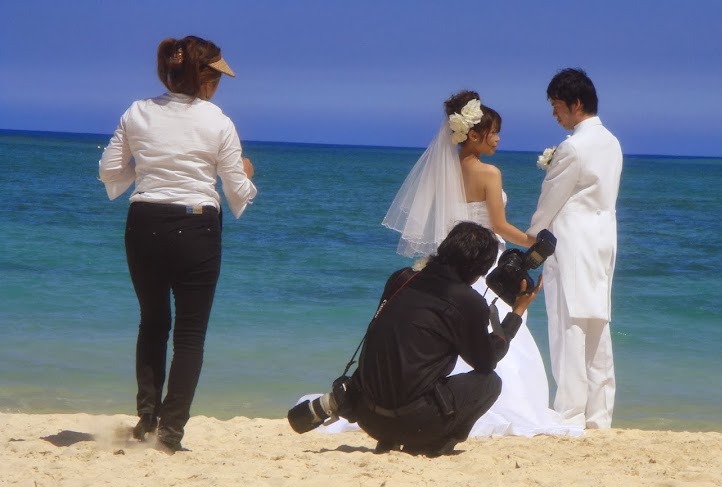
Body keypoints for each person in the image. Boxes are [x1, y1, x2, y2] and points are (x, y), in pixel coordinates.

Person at [381, 90, 581, 437]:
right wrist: (534, 242)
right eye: (494, 132)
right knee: (498, 327)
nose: (498, 138)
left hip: (451, 263)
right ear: (473, 134)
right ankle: (507, 404)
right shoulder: (489, 173)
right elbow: (499, 226)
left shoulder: (443, 172)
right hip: (486, 261)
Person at [99, 36, 257, 452]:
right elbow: (235, 188)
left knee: (152, 323)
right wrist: (247, 173)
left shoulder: (137, 111)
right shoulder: (218, 121)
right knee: (189, 335)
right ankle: (170, 434)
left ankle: (146, 420)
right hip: (196, 226)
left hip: (144, 222)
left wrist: (147, 170)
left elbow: (109, 171)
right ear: (206, 79)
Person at [289, 222, 540, 454]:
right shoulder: (467, 301)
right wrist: (517, 312)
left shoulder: (401, 278)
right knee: (490, 383)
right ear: (480, 270)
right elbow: (487, 361)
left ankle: (355, 410)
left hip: (368, 417)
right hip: (413, 423)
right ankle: (435, 444)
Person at [526, 68, 623, 429]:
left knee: (568, 327)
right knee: (597, 326)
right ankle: (599, 415)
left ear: (575, 104)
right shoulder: (612, 142)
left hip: (570, 244)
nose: (555, 114)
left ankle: (569, 413)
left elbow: (551, 200)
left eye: (557, 106)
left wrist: (532, 236)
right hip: (602, 243)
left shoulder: (573, 147)